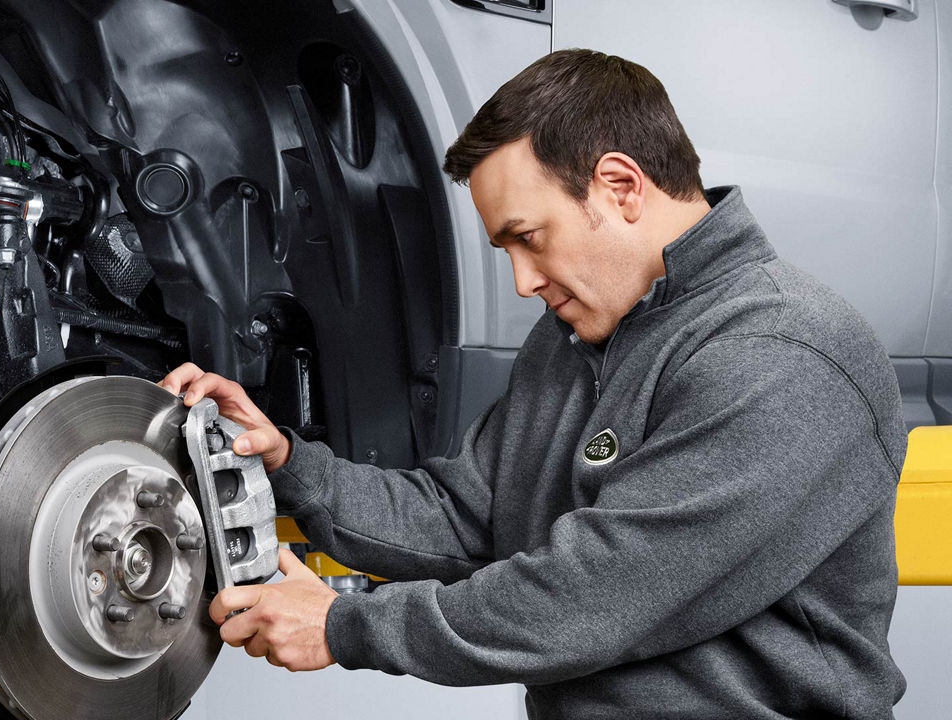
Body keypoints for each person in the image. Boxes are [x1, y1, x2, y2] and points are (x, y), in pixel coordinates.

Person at [159, 49, 906, 718]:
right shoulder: (575, 339)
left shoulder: (787, 352)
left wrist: (341, 624)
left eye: (528, 236)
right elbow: (466, 519)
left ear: (619, 186)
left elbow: (597, 596)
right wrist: (288, 465)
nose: (522, 282)